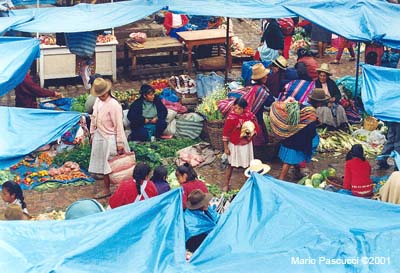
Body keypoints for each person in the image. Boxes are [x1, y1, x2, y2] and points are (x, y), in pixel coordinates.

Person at [88, 78, 130, 199]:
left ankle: (122, 188)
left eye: (103, 94)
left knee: (116, 166)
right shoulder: (98, 101)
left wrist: (120, 143)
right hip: (100, 136)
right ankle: (106, 188)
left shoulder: (114, 105)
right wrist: (92, 133)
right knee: (104, 166)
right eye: (99, 95)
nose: (101, 96)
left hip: (111, 138)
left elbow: (118, 126)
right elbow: (93, 117)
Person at [270, 99, 319, 180]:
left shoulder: (300, 105)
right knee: (288, 161)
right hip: (296, 140)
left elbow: (277, 105)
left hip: (289, 136)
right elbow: (310, 129)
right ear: (319, 103)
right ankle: (281, 179)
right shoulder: (311, 113)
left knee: (295, 158)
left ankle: (297, 171)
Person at [222, 97, 260, 192]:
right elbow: (226, 133)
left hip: (246, 144)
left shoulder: (249, 116)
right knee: (230, 164)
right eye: (236, 108)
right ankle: (226, 184)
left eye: (240, 108)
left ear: (244, 108)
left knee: (247, 165)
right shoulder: (231, 118)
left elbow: (255, 128)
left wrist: (251, 133)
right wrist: (226, 147)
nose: (237, 110)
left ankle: (248, 186)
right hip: (234, 144)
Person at [313, 64, 349, 129]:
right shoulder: (316, 84)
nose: (322, 78)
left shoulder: (331, 83)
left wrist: (334, 98)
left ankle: (341, 125)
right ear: (318, 75)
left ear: (327, 76)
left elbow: (338, 94)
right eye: (321, 75)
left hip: (332, 102)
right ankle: (329, 126)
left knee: (340, 108)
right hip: (321, 105)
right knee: (326, 110)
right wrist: (326, 103)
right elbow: (315, 99)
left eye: (324, 76)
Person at [248, 63, 275, 146]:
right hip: (256, 116)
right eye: (265, 75)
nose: (267, 77)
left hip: (250, 114)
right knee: (259, 136)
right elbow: (269, 102)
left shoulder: (250, 83)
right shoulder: (261, 91)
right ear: (261, 78)